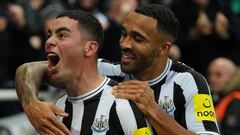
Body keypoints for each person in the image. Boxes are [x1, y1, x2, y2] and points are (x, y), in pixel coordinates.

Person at [16, 4, 220, 135]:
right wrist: (30, 103)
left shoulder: (188, 81)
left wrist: (153, 110)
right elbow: (29, 70)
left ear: (163, 48)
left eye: (138, 39)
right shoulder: (107, 70)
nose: (125, 44)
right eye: (124, 34)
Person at [17, 9, 153, 135]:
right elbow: (27, 69)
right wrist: (30, 103)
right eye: (49, 35)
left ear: (90, 48)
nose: (49, 41)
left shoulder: (122, 106)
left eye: (62, 35)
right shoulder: (58, 107)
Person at [208, 57, 240, 135]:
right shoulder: (217, 98)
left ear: (232, 77)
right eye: (209, 74)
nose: (212, 79)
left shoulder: (236, 101)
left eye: (218, 75)